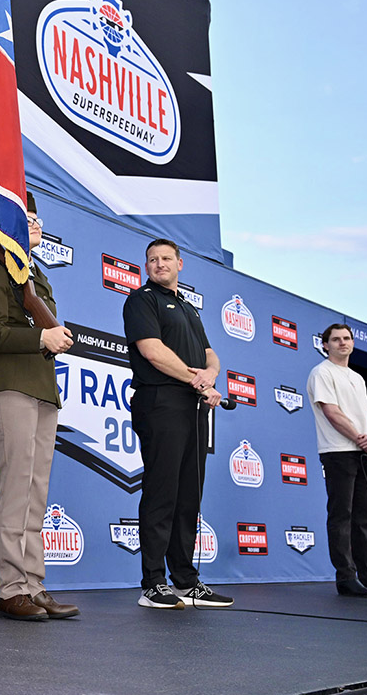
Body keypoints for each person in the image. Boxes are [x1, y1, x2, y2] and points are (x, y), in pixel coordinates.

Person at [0, 195, 79, 621]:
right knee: (16, 489)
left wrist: (51, 337)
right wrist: (40, 338)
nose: (35, 224)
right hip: (9, 386)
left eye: (36, 218)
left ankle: (34, 584)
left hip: (41, 388)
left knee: (36, 493)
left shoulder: (35, 275)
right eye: (26, 218)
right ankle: (11, 588)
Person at [122, 239, 232, 609]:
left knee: (188, 495)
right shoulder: (142, 300)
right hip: (161, 402)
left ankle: (185, 580)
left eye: (166, 258)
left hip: (193, 407)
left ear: (180, 264)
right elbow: (152, 351)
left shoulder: (188, 308)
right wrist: (196, 379)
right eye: (152, 259)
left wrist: (211, 375)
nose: (159, 264)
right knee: (162, 492)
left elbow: (209, 354)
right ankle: (153, 583)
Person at [307, 324, 367, 597]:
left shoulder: (356, 377)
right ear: (325, 345)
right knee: (342, 515)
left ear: (353, 343)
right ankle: (345, 577)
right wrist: (361, 439)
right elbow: (331, 412)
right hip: (338, 452)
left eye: (347, 338)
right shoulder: (321, 373)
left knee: (364, 517)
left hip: (364, 453)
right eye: (336, 339)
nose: (342, 343)